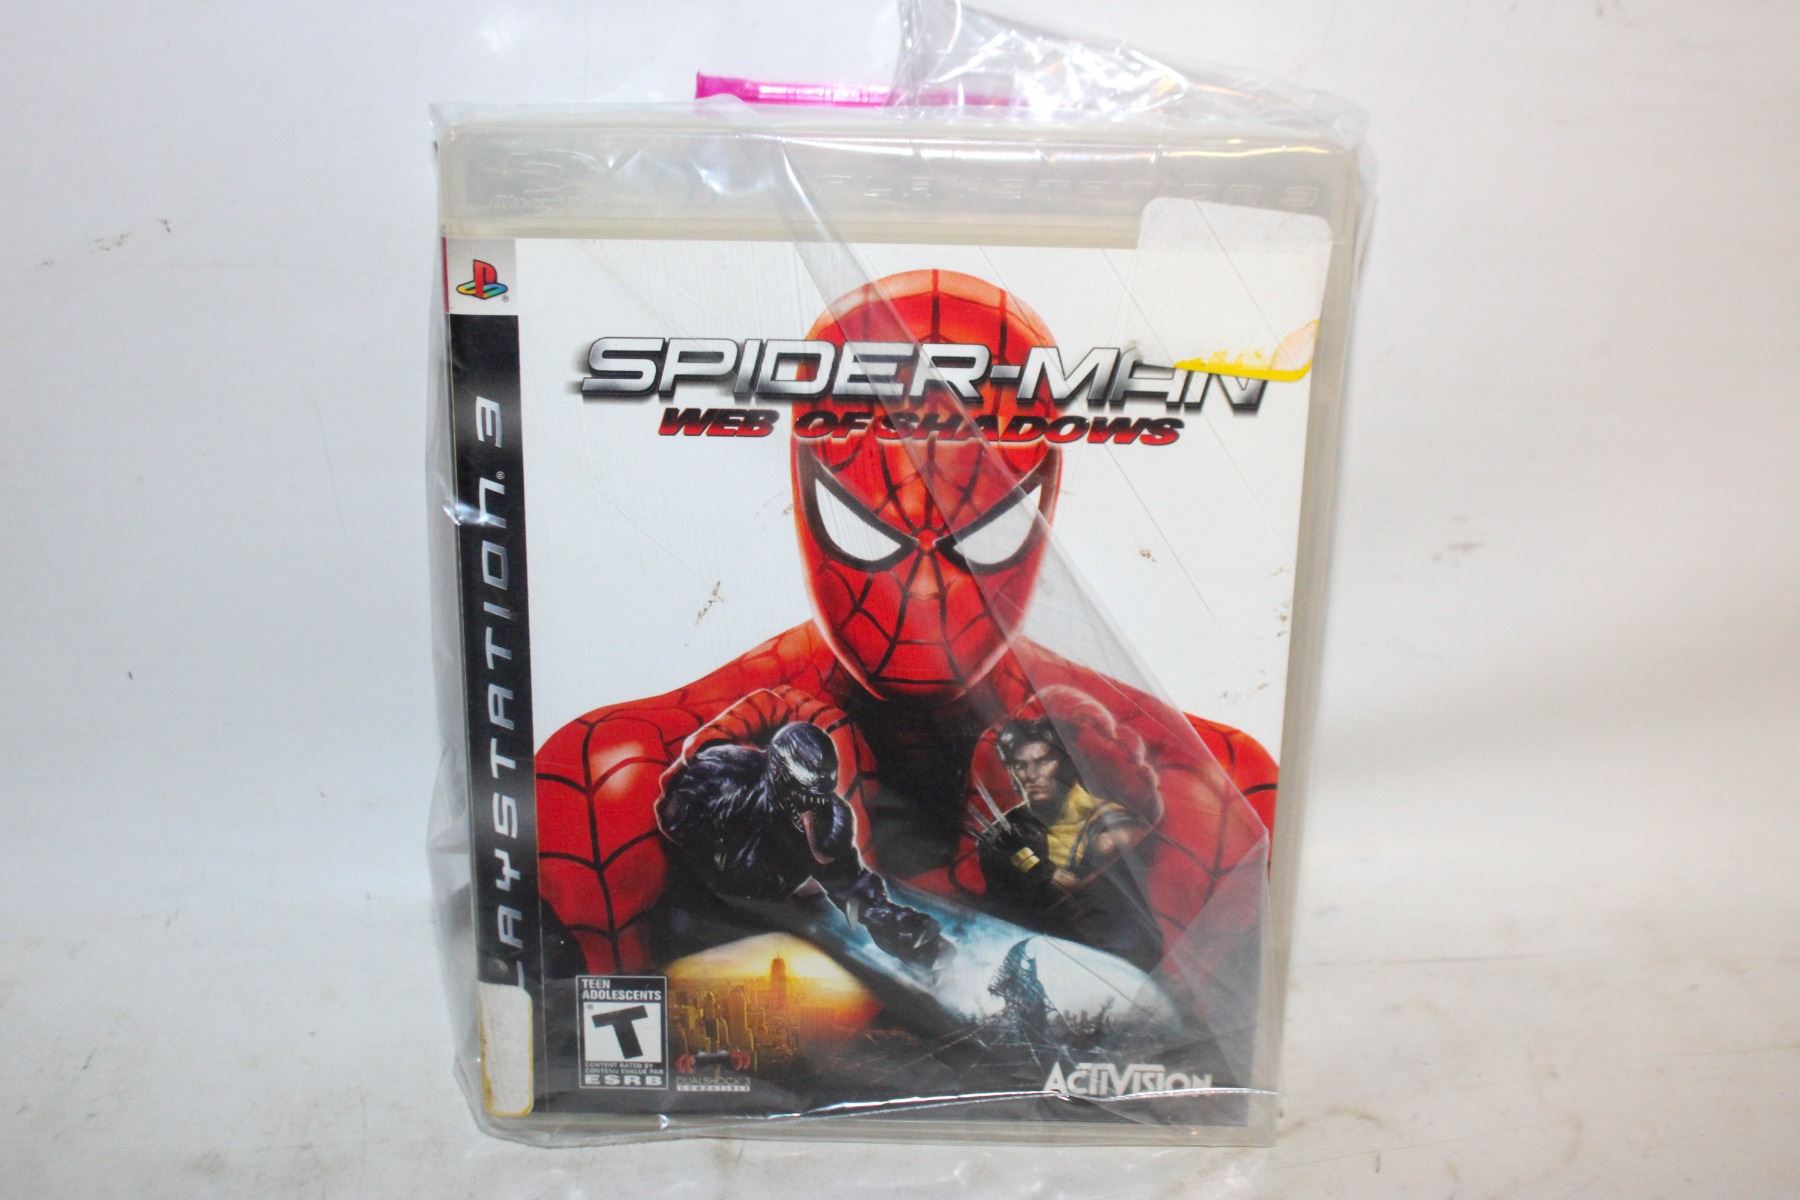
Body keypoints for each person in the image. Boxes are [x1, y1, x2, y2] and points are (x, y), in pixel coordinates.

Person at [534, 269, 1277, 980]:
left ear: (1046, 499)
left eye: (980, 534)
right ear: (802, 488)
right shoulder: (627, 771)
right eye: (869, 530)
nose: (924, 588)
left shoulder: (1210, 787)